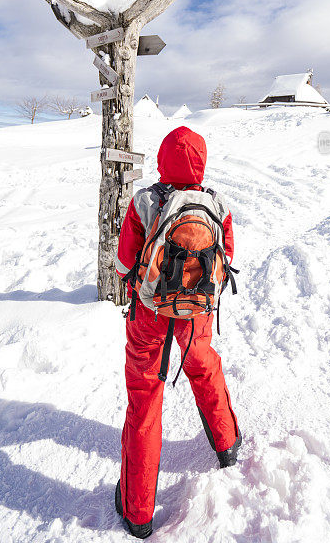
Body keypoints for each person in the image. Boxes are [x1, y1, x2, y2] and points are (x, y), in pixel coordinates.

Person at [114, 126, 241, 539]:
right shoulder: (217, 204)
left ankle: (138, 512)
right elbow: (226, 261)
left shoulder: (145, 202)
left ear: (162, 159)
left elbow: (123, 264)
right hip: (196, 314)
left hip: (150, 316)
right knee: (204, 368)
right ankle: (227, 444)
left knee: (145, 401)